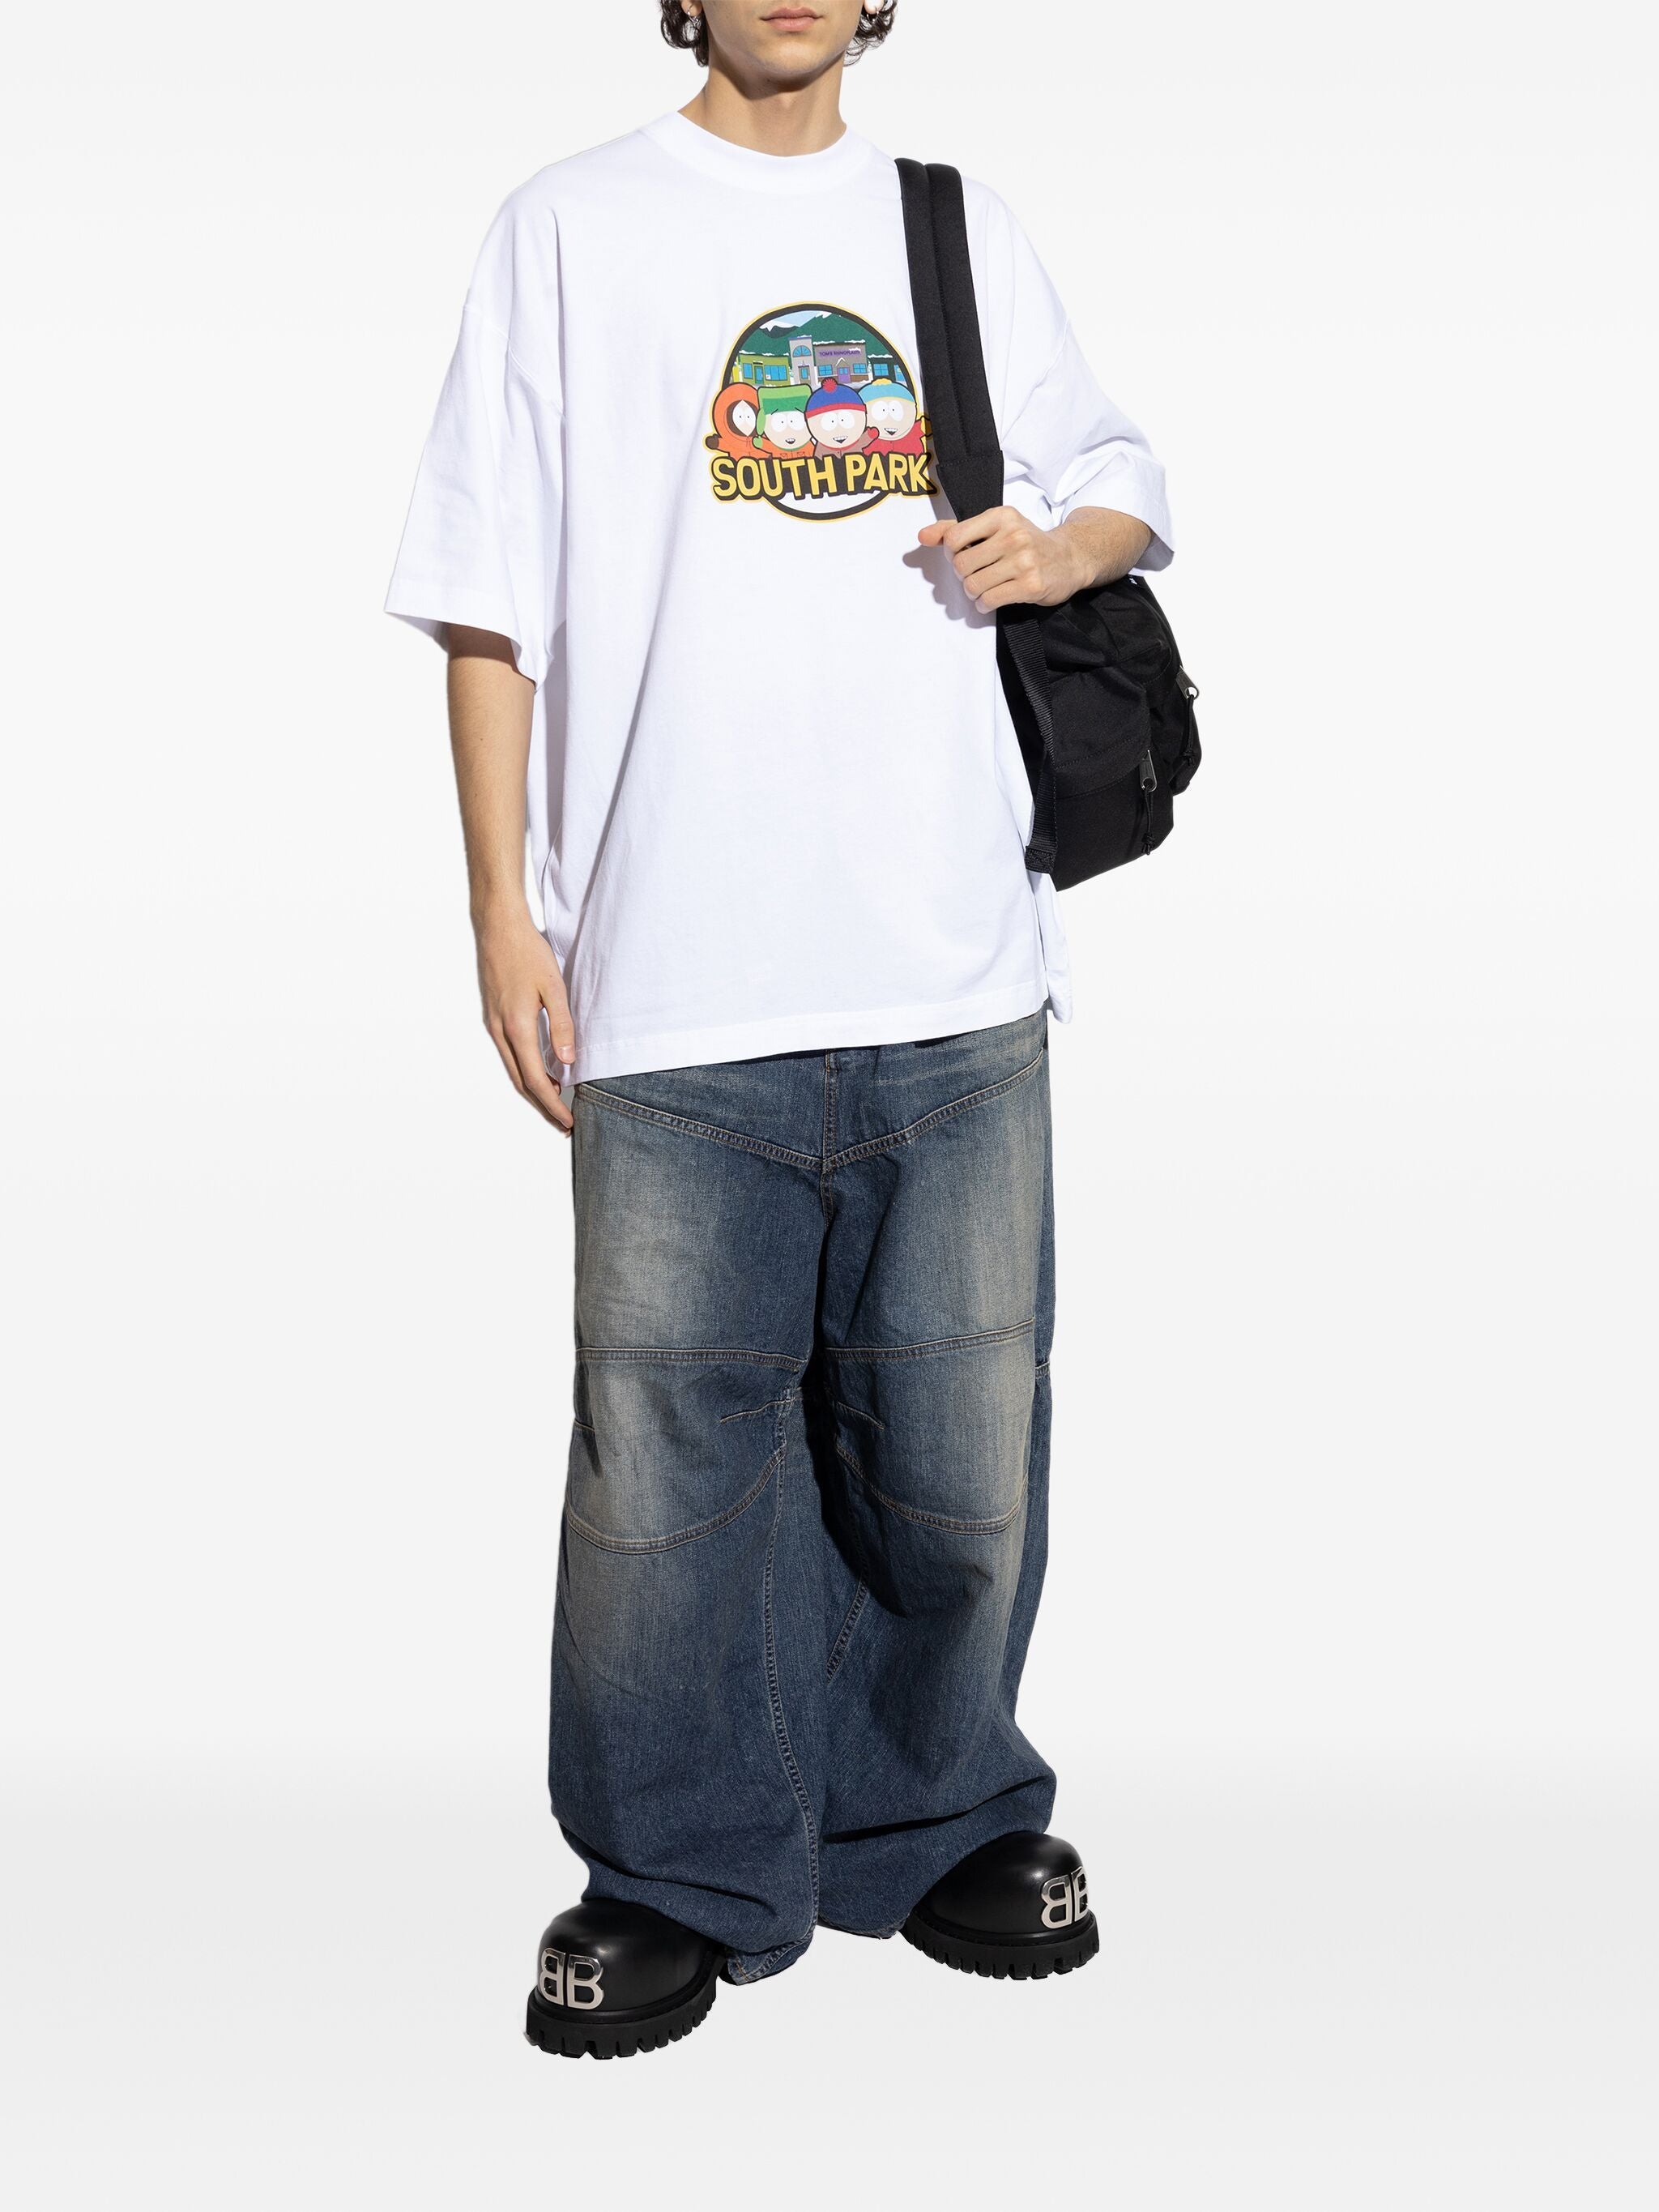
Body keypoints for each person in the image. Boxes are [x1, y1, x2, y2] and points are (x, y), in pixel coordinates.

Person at [386, 0, 1174, 2061]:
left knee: (961, 1454)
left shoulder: (952, 222)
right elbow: (486, 596)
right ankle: (671, 1872)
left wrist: (1058, 544)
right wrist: (499, 910)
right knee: (665, 1472)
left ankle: (936, 1815)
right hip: (674, 967)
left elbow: (1119, 476)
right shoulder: (568, 226)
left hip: (951, 960)